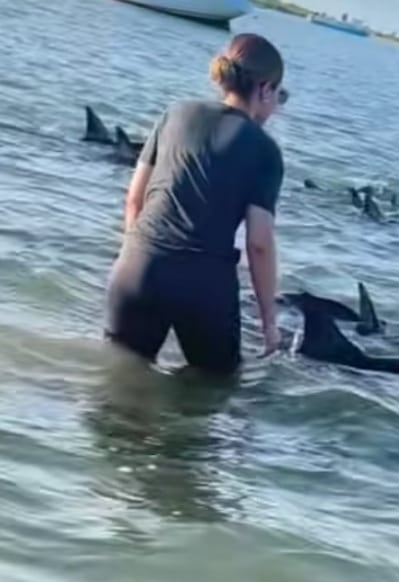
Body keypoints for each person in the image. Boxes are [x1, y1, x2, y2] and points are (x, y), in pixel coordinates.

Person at [103, 33, 288, 374]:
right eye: (281, 94)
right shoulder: (264, 150)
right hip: (204, 287)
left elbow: (134, 200)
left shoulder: (175, 113)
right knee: (211, 395)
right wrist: (269, 325)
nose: (277, 104)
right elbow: (259, 244)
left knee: (121, 387)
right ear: (264, 89)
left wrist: (138, 255)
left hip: (137, 268)